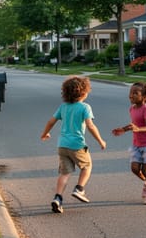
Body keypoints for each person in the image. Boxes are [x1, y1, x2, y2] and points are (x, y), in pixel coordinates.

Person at [40, 75, 107, 213]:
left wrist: (45, 133)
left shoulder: (63, 106)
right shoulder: (85, 107)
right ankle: (79, 189)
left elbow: (51, 121)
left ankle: (57, 198)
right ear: (83, 92)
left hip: (62, 146)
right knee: (87, 166)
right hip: (76, 145)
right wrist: (101, 140)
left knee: (65, 173)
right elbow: (91, 126)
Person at [112, 81, 146, 205]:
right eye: (130, 93)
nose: (131, 95)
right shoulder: (132, 108)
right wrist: (123, 129)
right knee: (135, 169)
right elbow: (133, 125)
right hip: (137, 144)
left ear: (144, 97)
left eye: (135, 93)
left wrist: (137, 129)